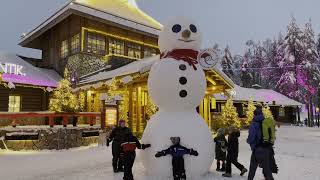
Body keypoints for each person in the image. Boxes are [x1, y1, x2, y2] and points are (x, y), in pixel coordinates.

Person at [247, 108, 274, 180]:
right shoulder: (266, 122)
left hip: (257, 149)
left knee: (252, 169)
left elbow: (251, 137)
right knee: (267, 170)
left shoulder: (254, 124)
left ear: (254, 114)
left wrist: (248, 141)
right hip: (267, 149)